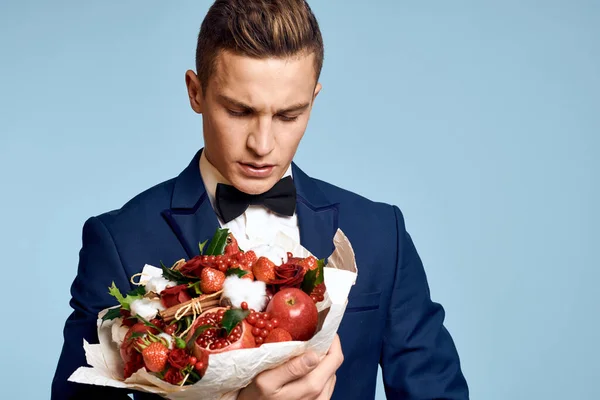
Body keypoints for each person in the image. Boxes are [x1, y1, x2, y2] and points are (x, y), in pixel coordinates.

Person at [52, 0, 469, 399]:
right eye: (238, 111)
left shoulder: (381, 235)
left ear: (314, 99)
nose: (263, 144)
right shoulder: (118, 241)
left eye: (289, 115)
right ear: (196, 92)